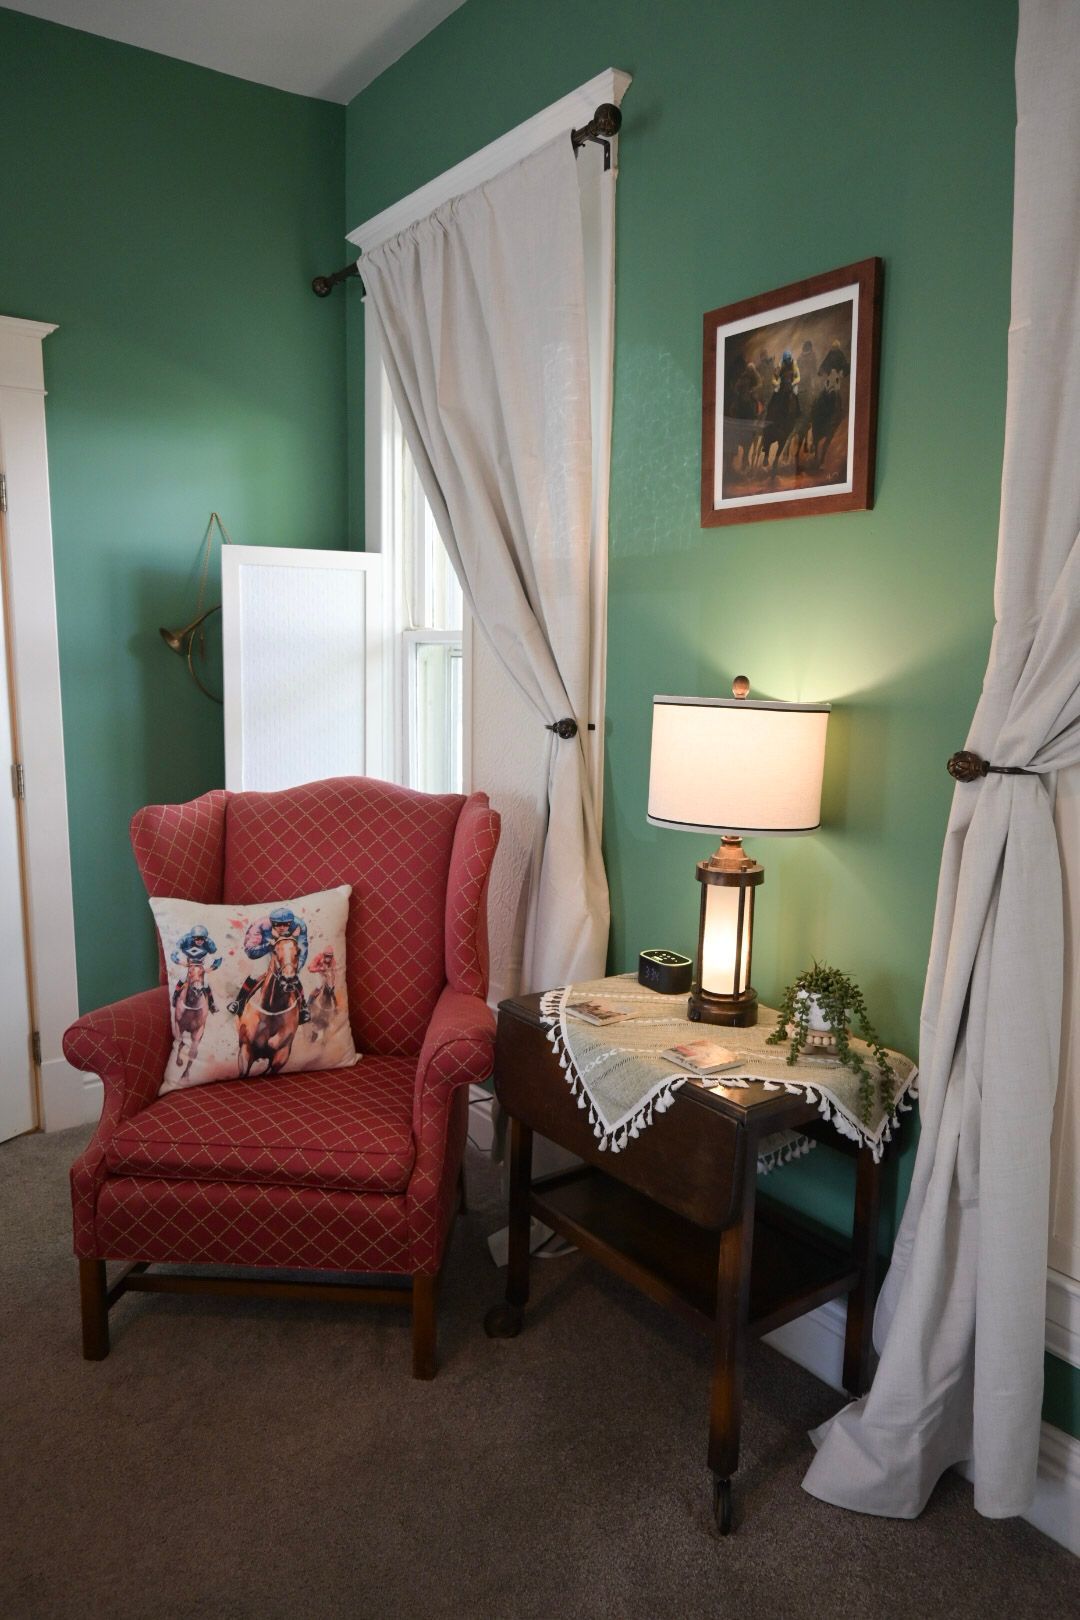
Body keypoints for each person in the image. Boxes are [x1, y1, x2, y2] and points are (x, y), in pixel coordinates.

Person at [227, 906, 311, 1023]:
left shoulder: (299, 926)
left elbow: (302, 949)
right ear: (272, 923)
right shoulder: (259, 925)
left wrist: (294, 969)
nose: (282, 927)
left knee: (292, 974)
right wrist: (268, 946)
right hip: (268, 950)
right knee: (257, 973)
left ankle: (303, 1007)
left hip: (288, 952)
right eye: (278, 924)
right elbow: (250, 951)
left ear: (291, 922)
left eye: (286, 924)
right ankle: (239, 1002)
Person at [170, 924, 220, 1011]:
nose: (200, 941)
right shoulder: (184, 940)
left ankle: (211, 1003)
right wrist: (180, 962)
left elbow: (219, 958)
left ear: (206, 938)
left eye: (202, 938)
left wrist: (212, 968)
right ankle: (175, 995)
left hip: (201, 964)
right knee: (182, 977)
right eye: (197, 938)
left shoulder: (209, 943)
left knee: (205, 983)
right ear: (192, 937)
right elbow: (173, 955)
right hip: (188, 962)